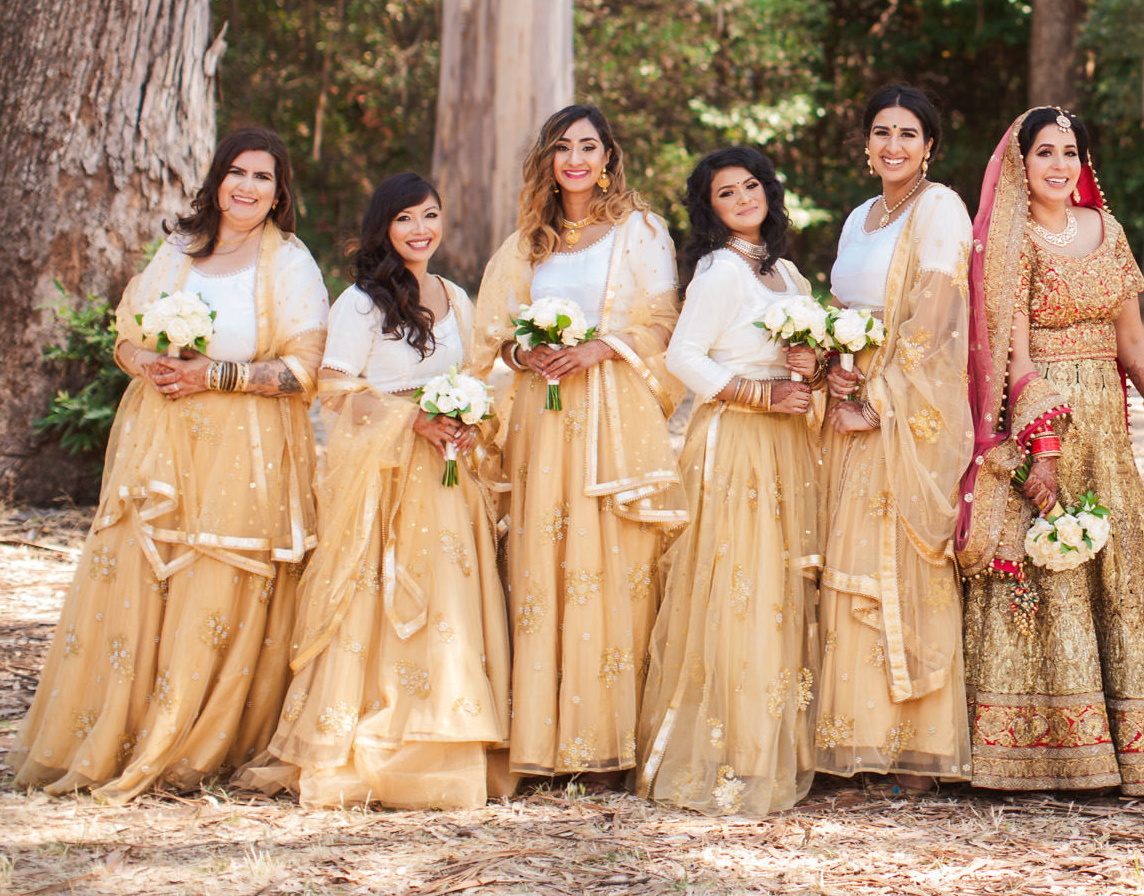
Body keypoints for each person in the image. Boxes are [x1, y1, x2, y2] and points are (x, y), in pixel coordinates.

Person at [10, 128, 328, 802]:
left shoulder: (291, 263)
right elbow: (125, 338)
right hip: (158, 448)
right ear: (216, 180)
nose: (246, 186)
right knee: (137, 582)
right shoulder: (177, 252)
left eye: (263, 177)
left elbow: (304, 372)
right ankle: (116, 733)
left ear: (280, 193)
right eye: (236, 172)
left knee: (210, 589)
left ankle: (189, 744)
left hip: (242, 455)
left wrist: (219, 373)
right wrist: (148, 363)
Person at [241, 173, 511, 808]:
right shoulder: (362, 301)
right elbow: (333, 389)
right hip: (389, 477)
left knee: (453, 597)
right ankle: (373, 744)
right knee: (385, 599)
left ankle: (449, 745)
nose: (421, 230)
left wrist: (470, 418)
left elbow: (477, 376)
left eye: (430, 216)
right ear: (383, 229)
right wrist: (411, 416)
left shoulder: (455, 296)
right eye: (406, 219)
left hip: (451, 473)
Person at [956, 107, 1144, 796]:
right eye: (1045, 153)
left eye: (1070, 152)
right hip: (1042, 424)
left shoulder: (1108, 229)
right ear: (1021, 163)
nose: (1059, 165)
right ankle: (1052, 750)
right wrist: (1044, 446)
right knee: (1051, 563)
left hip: (1107, 427)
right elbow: (1014, 351)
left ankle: (1140, 747)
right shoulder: (1008, 240)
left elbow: (1132, 338)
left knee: (1120, 566)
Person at [471, 104, 684, 784]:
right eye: (563, 147)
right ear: (548, 159)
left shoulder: (640, 231)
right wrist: (523, 351)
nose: (576, 159)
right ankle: (546, 742)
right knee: (543, 567)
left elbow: (663, 321)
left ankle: (608, 744)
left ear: (609, 156)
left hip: (612, 414)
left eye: (589, 146)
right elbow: (490, 334)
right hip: (542, 418)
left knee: (614, 565)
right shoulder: (525, 244)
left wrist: (598, 346)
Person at [636, 149, 821, 815]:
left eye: (751, 186)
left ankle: (775, 742)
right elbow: (683, 354)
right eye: (725, 193)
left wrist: (811, 367)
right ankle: (728, 753)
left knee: (780, 588)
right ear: (709, 209)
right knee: (741, 585)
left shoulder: (786, 273)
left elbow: (792, 355)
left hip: (787, 441)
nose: (743, 198)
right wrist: (755, 394)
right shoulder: (717, 269)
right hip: (738, 437)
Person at [814, 85, 974, 789]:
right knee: (848, 556)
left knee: (904, 557)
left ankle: (916, 745)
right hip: (849, 395)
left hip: (905, 404)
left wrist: (878, 398)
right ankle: (858, 736)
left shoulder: (941, 207)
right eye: (882, 132)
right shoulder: (859, 216)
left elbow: (935, 315)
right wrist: (831, 367)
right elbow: (845, 307)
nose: (893, 145)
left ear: (930, 146)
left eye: (908, 134)